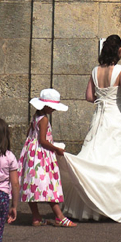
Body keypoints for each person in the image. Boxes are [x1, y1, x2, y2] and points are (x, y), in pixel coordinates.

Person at [59, 34, 121, 223]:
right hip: (115, 118)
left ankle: (88, 206)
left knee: (93, 155)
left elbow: (89, 97)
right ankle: (111, 205)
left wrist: (102, 98)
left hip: (99, 118)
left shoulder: (94, 71)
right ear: (119, 51)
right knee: (117, 161)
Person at [19, 89, 76, 228]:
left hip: (31, 153)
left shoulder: (35, 117)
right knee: (49, 185)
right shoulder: (44, 119)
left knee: (32, 186)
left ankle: (36, 217)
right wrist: (56, 148)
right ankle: (59, 217)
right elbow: (43, 140)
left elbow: (30, 134)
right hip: (41, 156)